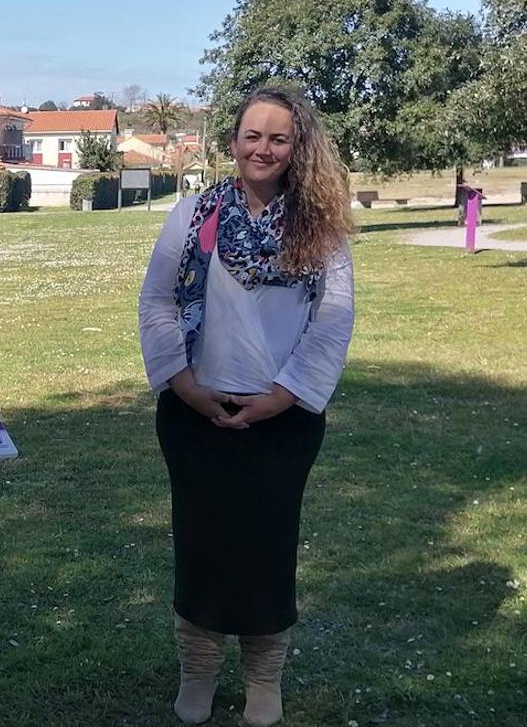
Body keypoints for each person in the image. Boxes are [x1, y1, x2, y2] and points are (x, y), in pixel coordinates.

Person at [137, 86, 355, 726]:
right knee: (199, 543)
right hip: (194, 411)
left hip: (282, 419)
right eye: (252, 135)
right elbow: (157, 303)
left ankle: (265, 678)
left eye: (278, 138)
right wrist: (183, 384)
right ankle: (198, 672)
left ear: (296, 148)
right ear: (231, 142)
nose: (263, 148)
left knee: (267, 546)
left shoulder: (320, 225)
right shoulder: (192, 215)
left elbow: (332, 319)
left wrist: (281, 397)